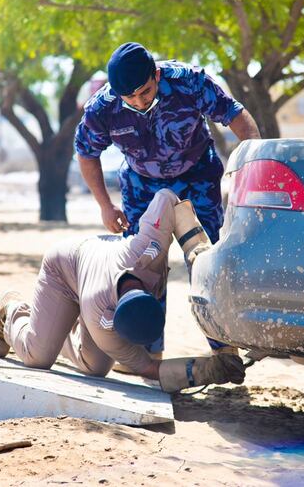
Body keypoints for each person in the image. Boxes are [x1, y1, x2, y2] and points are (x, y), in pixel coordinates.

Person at [74, 42, 260, 357]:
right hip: (141, 185)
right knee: (144, 265)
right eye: (129, 97)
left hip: (197, 176)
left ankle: (224, 347)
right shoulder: (102, 108)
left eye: (144, 92)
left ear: (156, 75)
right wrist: (105, 205)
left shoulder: (189, 82)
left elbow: (236, 116)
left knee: (209, 260)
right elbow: (86, 153)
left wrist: (253, 172)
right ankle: (149, 351)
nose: (139, 101)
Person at [0, 189, 245, 392]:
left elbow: (167, 198)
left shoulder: (146, 248)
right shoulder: (101, 317)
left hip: (97, 267)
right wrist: (207, 371)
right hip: (63, 270)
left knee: (94, 367)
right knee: (37, 357)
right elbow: (149, 367)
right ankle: (12, 312)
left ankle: (53, 327)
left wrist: (196, 252)